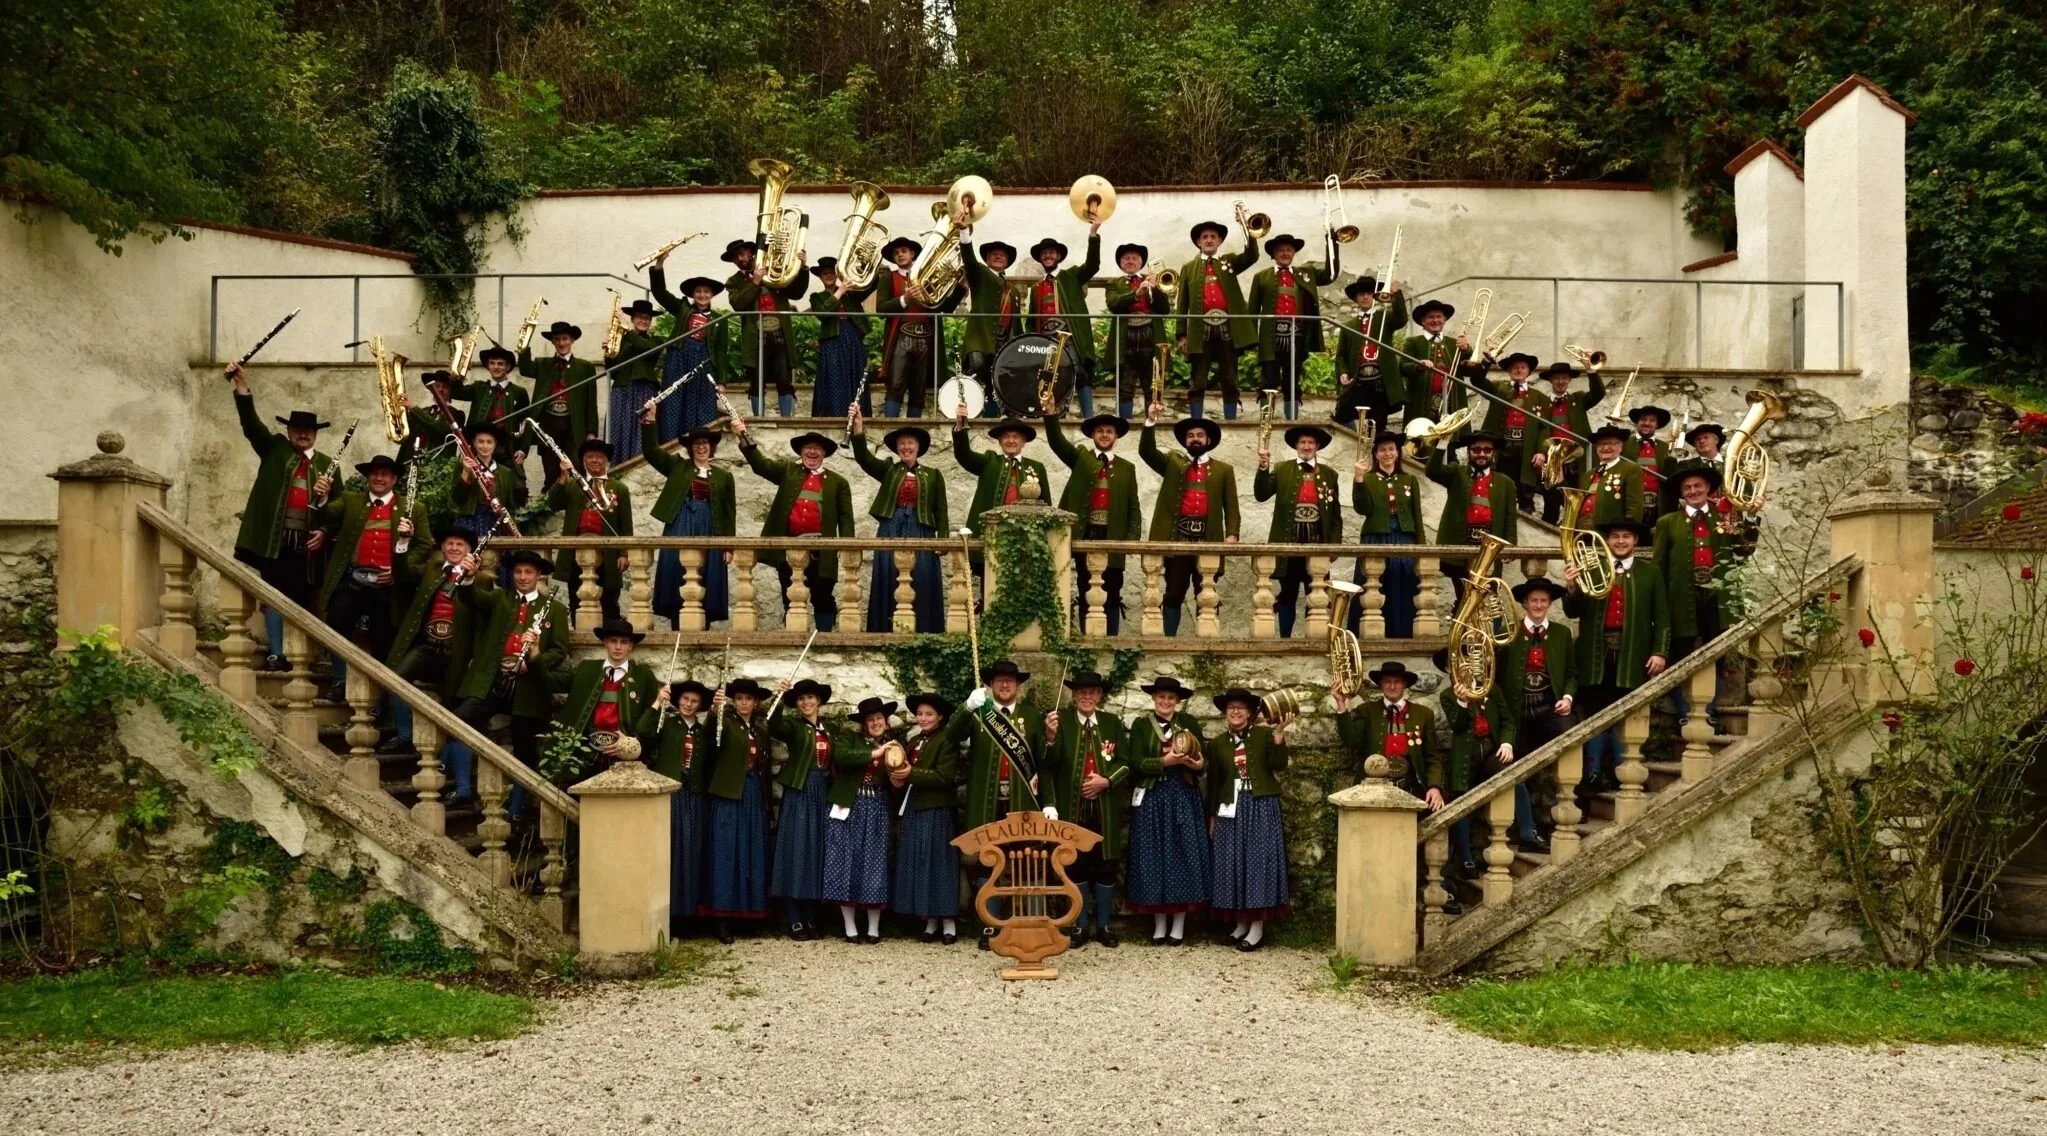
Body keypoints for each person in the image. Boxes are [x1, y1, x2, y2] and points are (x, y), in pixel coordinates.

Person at [225, 362, 335, 670]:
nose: (303, 435)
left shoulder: (328, 463)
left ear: (315, 435)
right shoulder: (274, 448)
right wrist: (241, 388)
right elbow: (251, 425)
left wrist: (325, 516)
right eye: (298, 431)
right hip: (276, 540)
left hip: (307, 545)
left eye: (308, 431)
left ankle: (299, 655)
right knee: (272, 596)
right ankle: (276, 652)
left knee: (301, 599)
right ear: (289, 431)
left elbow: (336, 511)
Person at [448, 549, 570, 820]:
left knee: (524, 749)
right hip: (494, 681)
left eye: (528, 572)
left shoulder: (556, 610)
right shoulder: (500, 598)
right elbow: (472, 598)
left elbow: (559, 650)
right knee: (458, 723)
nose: (523, 577)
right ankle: (464, 788)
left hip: (528, 687)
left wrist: (532, 662)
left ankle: (514, 812)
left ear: (539, 576)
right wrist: (468, 578)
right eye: (518, 572)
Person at [1563, 518, 1670, 797]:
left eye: (1626, 537)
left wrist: (1660, 652)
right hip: (1597, 655)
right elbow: (1574, 612)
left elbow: (1662, 618)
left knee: (1628, 713)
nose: (1620, 541)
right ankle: (1594, 772)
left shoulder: (1651, 573)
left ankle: (1626, 771)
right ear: (1608, 541)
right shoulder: (1593, 568)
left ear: (1635, 541)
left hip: (1632, 654)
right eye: (1615, 536)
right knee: (1597, 713)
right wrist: (1572, 587)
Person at [314, 454, 430, 699]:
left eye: (384, 474)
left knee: (384, 637)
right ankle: (340, 681)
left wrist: (399, 572)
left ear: (394, 479)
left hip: (388, 586)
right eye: (374, 474)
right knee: (337, 624)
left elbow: (423, 547)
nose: (379, 478)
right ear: (368, 477)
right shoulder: (350, 500)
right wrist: (322, 496)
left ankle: (378, 692)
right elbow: (327, 516)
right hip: (353, 579)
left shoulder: (414, 508)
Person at [946, 659, 1043, 950]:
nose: (1004, 685)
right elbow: (951, 737)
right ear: (990, 685)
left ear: (1018, 686)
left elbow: (1043, 762)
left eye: (1010, 681)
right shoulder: (980, 713)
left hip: (1021, 802)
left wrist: (1046, 802)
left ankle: (1022, 924)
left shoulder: (1031, 716)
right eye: (999, 680)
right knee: (987, 864)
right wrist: (967, 708)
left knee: (1023, 861)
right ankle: (989, 924)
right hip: (987, 802)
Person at [385, 525, 487, 789]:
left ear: (469, 552)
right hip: (428, 646)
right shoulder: (432, 570)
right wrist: (403, 543)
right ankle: (406, 734)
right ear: (442, 548)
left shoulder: (482, 579)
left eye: (460, 545)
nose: (454, 548)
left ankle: (459, 781)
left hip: (457, 653)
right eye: (450, 544)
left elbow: (483, 619)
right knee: (393, 680)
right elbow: (403, 573)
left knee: (455, 713)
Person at [735, 421, 855, 632]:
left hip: (822, 550)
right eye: (807, 447)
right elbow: (761, 465)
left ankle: (825, 637)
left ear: (824, 453)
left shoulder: (838, 482)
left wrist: (847, 547)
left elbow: (846, 518)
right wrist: (743, 437)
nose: (812, 452)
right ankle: (793, 637)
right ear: (801, 451)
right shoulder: (787, 470)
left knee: (823, 594)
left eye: (817, 448)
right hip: (789, 548)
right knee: (789, 593)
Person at [1042, 671, 1132, 948]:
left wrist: (1107, 781)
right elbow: (1048, 764)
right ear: (1073, 695)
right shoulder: (1061, 722)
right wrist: (1050, 737)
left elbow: (1127, 763)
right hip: (1072, 810)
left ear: (1100, 695)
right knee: (1076, 865)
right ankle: (1080, 926)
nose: (1087, 696)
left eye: (1092, 692)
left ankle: (1104, 925)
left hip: (1105, 811)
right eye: (1082, 692)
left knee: (1106, 866)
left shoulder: (1112, 722)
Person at [1431, 648, 1532, 889]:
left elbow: (1508, 721)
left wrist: (1507, 743)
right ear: (1448, 670)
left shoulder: (1491, 689)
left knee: (1513, 777)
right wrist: (1463, 702)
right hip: (1465, 757)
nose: (1462, 666)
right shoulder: (1448, 696)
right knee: (1461, 799)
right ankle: (1466, 859)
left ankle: (1529, 831)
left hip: (1491, 749)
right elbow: (1457, 725)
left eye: (1466, 661)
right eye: (1455, 664)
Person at [1138, 407, 1239, 637]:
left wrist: (1232, 533)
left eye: (1199, 435)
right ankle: (1168, 639)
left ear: (1208, 440)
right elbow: (1146, 452)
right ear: (1185, 441)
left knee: (1207, 593)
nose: (1195, 439)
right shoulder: (1173, 463)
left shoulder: (1224, 470)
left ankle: (1208, 643)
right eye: (1191, 436)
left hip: (1209, 539)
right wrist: (1150, 423)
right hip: (1179, 539)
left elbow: (1231, 507)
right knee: (1173, 593)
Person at [1122, 675, 1208, 945]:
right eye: (1161, 697)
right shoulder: (1140, 725)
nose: (1166, 702)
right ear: (1153, 699)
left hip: (1182, 795)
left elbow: (1202, 762)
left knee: (1182, 855)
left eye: (1171, 698)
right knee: (1153, 856)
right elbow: (1135, 763)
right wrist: (1165, 761)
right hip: (1152, 797)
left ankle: (1179, 924)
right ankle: (1159, 923)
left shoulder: (1189, 724)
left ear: (1178, 701)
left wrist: (1195, 764)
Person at [1206, 688, 1291, 951]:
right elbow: (1214, 782)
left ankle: (1256, 927)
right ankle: (1240, 923)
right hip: (1230, 807)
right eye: (1231, 707)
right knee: (1232, 864)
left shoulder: (1265, 735)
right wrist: (1212, 815)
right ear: (1224, 712)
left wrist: (1278, 736)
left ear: (1250, 713)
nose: (1235, 711)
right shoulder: (1218, 743)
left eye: (1241, 707)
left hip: (1260, 804)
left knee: (1257, 864)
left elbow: (1279, 765)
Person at [1045, 412, 1143, 634]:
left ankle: (1111, 638)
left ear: (1116, 435)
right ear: (1092, 435)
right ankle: (1089, 639)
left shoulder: (1128, 468)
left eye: (1109, 431)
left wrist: (1130, 540)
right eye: (1100, 431)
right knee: (1086, 589)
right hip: (1086, 536)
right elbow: (1056, 442)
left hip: (1114, 538)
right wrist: (1050, 415)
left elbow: (1133, 506)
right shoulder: (1081, 458)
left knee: (1113, 592)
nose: (1105, 435)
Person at [1655, 466, 1738, 726]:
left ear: (1708, 489)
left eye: (1698, 486)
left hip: (1717, 598)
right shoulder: (1667, 523)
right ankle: (1684, 714)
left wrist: (1751, 520)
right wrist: (1659, 605)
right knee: (1680, 655)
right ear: (1681, 493)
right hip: (1680, 600)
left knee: (1718, 654)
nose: (1693, 491)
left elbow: (1743, 552)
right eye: (1687, 488)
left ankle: (1708, 712)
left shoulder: (1725, 517)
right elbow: (1659, 567)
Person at [850, 412, 948, 633]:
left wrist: (942, 539)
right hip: (891, 528)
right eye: (902, 443)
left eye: (910, 443)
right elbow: (864, 458)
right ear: (897, 448)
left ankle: (924, 629)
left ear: (918, 447)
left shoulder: (933, 475)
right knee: (889, 575)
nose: (906, 447)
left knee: (921, 576)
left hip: (921, 529)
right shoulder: (889, 470)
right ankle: (884, 628)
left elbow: (941, 510)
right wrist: (858, 430)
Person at [1500, 577, 1575, 853]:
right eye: (1534, 601)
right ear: (1524, 604)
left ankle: (1573, 805)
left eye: (1544, 601)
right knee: (1518, 769)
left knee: (1573, 736)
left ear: (1550, 604)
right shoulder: (1509, 633)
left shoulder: (1561, 634)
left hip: (1548, 710)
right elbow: (1496, 676)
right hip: (1517, 712)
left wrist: (1567, 698)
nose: (1539, 605)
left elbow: (1571, 675)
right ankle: (1524, 829)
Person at [769, 677, 846, 940]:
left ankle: (812, 917)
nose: (806, 703)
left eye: (810, 698)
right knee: (797, 852)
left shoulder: (829, 730)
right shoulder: (793, 726)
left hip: (822, 794)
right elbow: (773, 725)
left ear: (819, 701)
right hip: (800, 792)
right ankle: (794, 918)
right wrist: (778, 698)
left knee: (817, 853)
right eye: (801, 699)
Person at [640, 415, 734, 630]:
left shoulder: (723, 476)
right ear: (690, 448)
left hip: (710, 527)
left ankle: (705, 624)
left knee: (708, 573)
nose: (701, 447)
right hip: (681, 523)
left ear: (711, 447)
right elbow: (651, 453)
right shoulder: (677, 467)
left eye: (705, 443)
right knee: (676, 568)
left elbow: (729, 513)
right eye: (696, 444)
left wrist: (729, 545)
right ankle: (676, 622)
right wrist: (650, 423)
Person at [639, 678, 714, 937]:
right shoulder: (667, 725)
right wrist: (658, 702)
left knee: (691, 852)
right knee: (670, 851)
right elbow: (643, 730)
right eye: (685, 699)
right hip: (671, 794)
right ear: (677, 701)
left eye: (694, 701)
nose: (689, 705)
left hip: (694, 797)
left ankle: (689, 914)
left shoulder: (704, 732)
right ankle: (667, 913)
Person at [702, 677, 774, 943]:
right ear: (734, 701)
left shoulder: (758, 728)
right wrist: (713, 713)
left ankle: (748, 915)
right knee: (726, 853)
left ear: (755, 703)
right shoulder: (724, 722)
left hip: (753, 793)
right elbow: (711, 740)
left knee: (751, 851)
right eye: (740, 698)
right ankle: (722, 919)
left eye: (749, 699)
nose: (744, 703)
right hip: (729, 793)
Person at [1254, 424, 1343, 638]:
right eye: (1302, 442)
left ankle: (1315, 637)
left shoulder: (1330, 474)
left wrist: (1334, 546)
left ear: (1317, 446)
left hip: (1317, 542)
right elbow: (1261, 494)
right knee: (1288, 593)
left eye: (1311, 442)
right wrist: (1263, 468)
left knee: (1317, 592)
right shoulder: (1283, 468)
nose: (1306, 446)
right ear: (1296, 446)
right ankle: (1285, 637)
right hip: (1289, 541)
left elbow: (1335, 516)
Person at [1174, 211, 1260, 422]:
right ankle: (1196, 422)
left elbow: (1252, 257)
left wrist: (1248, 231)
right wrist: (1181, 335)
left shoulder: (1229, 262)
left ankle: (1230, 420)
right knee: (1199, 378)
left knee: (1230, 376)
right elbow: (1181, 303)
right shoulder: (1188, 268)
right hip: (1199, 330)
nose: (1209, 240)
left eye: (1213, 237)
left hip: (1227, 327)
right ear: (1198, 242)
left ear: (1220, 241)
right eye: (1205, 237)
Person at [826, 696, 899, 943]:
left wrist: (898, 777)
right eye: (871, 720)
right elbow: (842, 757)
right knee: (845, 862)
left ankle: (873, 929)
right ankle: (849, 927)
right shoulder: (849, 741)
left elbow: (898, 778)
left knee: (874, 864)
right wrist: (875, 752)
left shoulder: (895, 746)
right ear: (863, 724)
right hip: (851, 806)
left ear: (886, 722)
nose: (876, 723)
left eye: (879, 718)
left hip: (877, 809)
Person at [890, 692, 960, 944]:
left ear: (940, 716)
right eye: (920, 714)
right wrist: (897, 778)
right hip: (915, 809)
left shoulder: (946, 741)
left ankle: (949, 922)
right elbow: (905, 773)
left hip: (937, 809)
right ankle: (930, 921)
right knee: (921, 862)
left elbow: (944, 778)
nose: (923, 718)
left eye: (929, 714)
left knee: (940, 864)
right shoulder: (915, 741)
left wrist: (912, 773)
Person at [540, 439, 633, 624]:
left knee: (609, 597)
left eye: (599, 457)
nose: (595, 460)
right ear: (583, 462)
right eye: (590, 457)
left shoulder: (619, 488)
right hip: (578, 552)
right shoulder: (574, 485)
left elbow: (626, 524)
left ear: (606, 461)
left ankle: (610, 632)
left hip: (608, 553)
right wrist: (563, 477)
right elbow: (553, 504)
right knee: (577, 596)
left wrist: (624, 553)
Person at [1426, 430, 1519, 608]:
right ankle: (1462, 633)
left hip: (1489, 547)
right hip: (1461, 544)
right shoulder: (1457, 472)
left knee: (1488, 596)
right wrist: (1442, 443)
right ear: (1469, 452)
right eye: (1476, 450)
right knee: (1463, 597)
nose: (1482, 454)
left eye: (1487, 450)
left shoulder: (1505, 482)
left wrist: (1511, 545)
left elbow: (1510, 517)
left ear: (1493, 453)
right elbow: (1432, 471)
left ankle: (1485, 635)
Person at [1246, 234, 1334, 419]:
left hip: (1297, 335)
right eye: (1281, 250)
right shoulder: (1261, 277)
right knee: (1269, 378)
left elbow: (1329, 274)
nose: (1285, 253)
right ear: (1274, 254)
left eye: (1289, 250)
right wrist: (1251, 339)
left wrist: (1332, 244)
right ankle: (1266, 420)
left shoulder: (1306, 273)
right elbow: (1252, 310)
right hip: (1271, 337)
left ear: (1294, 253)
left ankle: (1291, 419)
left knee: (1292, 379)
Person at [953, 412, 1051, 578]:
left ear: (1024, 441)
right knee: (990, 583)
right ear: (999, 441)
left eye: (1016, 437)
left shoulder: (1036, 467)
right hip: (992, 536)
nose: (1011, 441)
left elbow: (1046, 505)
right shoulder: (989, 461)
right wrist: (960, 427)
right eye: (1006, 436)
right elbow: (964, 455)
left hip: (1025, 539)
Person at [553, 618, 659, 769]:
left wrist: (632, 742)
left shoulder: (644, 676)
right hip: (588, 751)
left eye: (623, 642)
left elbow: (652, 716)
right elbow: (553, 682)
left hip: (624, 753)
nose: (618, 647)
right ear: (605, 643)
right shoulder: (586, 669)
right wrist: (534, 657)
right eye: (613, 641)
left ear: (630, 646)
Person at [1334, 661, 1446, 801]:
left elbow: (1432, 758)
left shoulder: (1423, 714)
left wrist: (1434, 787)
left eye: (1397, 682)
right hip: (1373, 788)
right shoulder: (1367, 711)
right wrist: (1341, 704)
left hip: (1411, 787)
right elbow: (1352, 741)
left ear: (1404, 684)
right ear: (1381, 684)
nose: (1392, 686)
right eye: (1387, 682)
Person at [723, 238, 810, 417]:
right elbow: (738, 304)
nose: (740, 259)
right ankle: (758, 419)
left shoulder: (774, 270)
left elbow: (797, 293)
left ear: (751, 253)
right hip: (755, 336)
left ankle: (786, 419)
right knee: (756, 381)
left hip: (779, 333)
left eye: (742, 254)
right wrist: (754, 282)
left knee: (784, 379)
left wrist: (802, 268)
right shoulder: (733, 281)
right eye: (735, 257)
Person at [648, 262, 732, 441]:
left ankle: (699, 442)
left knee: (702, 402)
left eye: (706, 292)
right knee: (673, 400)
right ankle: (670, 442)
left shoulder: (720, 320)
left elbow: (721, 351)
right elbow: (660, 293)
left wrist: (722, 380)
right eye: (698, 292)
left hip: (704, 362)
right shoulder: (682, 309)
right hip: (679, 358)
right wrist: (659, 266)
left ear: (712, 295)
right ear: (693, 295)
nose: (702, 295)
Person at [1351, 431, 1424, 638]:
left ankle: (1401, 632)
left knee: (1402, 585)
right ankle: (1367, 632)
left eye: (1391, 449)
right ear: (1375, 454)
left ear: (1398, 453)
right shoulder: (1368, 478)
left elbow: (1417, 516)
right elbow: (1361, 508)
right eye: (1382, 450)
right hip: (1376, 538)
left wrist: (1422, 548)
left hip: (1404, 539)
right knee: (1373, 585)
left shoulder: (1409, 479)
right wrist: (1358, 479)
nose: (1387, 453)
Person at [1025, 225, 1103, 415]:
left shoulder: (1072, 276)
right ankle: (1057, 417)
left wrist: (1093, 236)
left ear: (1058, 257)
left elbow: (1093, 265)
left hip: (1070, 335)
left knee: (1080, 374)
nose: (1048, 256)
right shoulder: (1036, 288)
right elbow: (1031, 318)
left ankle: (1088, 419)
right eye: (1044, 253)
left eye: (1052, 252)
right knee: (1051, 378)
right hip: (1046, 338)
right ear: (1040, 258)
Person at [517, 320, 600, 488]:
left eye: (565, 339)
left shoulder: (585, 367)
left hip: (573, 425)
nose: (561, 343)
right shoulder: (543, 364)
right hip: (549, 423)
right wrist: (524, 339)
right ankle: (550, 507)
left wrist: (591, 431)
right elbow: (525, 369)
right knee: (551, 469)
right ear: (553, 342)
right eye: (557, 339)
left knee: (575, 467)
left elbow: (591, 401)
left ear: (572, 340)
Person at [875, 237, 946, 419]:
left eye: (904, 251)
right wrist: (904, 299)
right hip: (900, 334)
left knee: (919, 386)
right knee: (895, 383)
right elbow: (881, 309)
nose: (900, 255)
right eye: (896, 253)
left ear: (913, 254)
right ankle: (889, 426)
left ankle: (915, 428)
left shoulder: (927, 277)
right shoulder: (888, 278)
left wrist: (961, 288)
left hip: (926, 336)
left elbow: (944, 306)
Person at [1333, 276, 1409, 437]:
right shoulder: (1349, 326)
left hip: (1379, 383)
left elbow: (1401, 319)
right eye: (1361, 294)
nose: (1365, 297)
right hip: (1359, 382)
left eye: (1369, 293)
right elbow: (1341, 356)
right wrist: (1343, 373)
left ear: (1374, 296)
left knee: (1377, 426)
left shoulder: (1384, 318)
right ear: (1356, 298)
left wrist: (1396, 295)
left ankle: (1372, 453)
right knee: (1341, 415)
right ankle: (1356, 440)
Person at [1471, 352, 1547, 513]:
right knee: (1498, 488)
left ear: (1528, 371)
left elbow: (1544, 428)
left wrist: (1541, 452)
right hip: (1503, 448)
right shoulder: (1499, 388)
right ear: (1509, 371)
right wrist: (1486, 362)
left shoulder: (1539, 397)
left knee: (1525, 493)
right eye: (1515, 368)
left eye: (1522, 367)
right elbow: (1477, 381)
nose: (1518, 370)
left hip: (1525, 451)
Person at [1103, 244, 1171, 418]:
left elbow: (1164, 309)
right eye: (1126, 258)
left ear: (1141, 262)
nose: (1130, 261)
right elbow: (1114, 304)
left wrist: (1154, 289)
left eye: (1134, 258)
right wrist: (1136, 293)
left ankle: (1152, 421)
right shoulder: (1114, 283)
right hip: (1126, 337)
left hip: (1150, 335)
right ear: (1121, 263)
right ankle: (1124, 423)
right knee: (1125, 385)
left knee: (1152, 385)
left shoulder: (1152, 281)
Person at [1535, 361, 1605, 524]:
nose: (1560, 382)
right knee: (1551, 500)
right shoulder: (1542, 403)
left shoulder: (1578, 399)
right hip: (1553, 458)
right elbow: (1540, 429)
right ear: (1551, 380)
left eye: (1564, 378)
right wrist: (1541, 452)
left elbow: (1598, 393)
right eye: (1557, 378)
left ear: (1569, 381)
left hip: (1576, 460)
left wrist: (1591, 371)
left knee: (1578, 496)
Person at [808, 255, 876, 418]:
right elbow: (823, 314)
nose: (829, 275)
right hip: (831, 341)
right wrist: (840, 291)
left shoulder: (851, 295)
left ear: (837, 274)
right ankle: (834, 413)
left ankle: (859, 414)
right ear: (820, 277)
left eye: (832, 272)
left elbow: (872, 283)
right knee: (833, 378)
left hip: (852, 338)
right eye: (825, 273)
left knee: (856, 375)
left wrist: (866, 263)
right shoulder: (816, 297)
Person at [958, 239, 1021, 410]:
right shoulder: (980, 274)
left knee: (996, 382)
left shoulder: (1013, 290)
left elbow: (1017, 323)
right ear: (986, 260)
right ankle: (966, 412)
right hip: (979, 338)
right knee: (976, 368)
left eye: (1002, 255)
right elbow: (969, 260)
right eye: (993, 254)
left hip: (1003, 341)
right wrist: (965, 235)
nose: (998, 256)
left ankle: (991, 419)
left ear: (1007, 261)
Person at [605, 299, 665, 463]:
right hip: (622, 390)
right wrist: (609, 354)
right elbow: (613, 372)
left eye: (647, 318)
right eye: (639, 317)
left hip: (644, 391)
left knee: (641, 432)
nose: (643, 321)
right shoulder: (622, 340)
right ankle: (617, 468)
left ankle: (640, 465)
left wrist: (626, 331)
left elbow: (644, 348)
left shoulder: (656, 340)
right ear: (632, 319)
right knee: (619, 431)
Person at [1399, 299, 1467, 423]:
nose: (1435, 320)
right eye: (1430, 317)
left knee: (1451, 440)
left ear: (1444, 320)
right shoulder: (1413, 342)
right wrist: (1418, 366)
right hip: (1421, 404)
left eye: (1439, 316)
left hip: (1452, 403)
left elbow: (1470, 370)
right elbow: (1402, 366)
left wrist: (1467, 350)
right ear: (1423, 321)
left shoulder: (1454, 343)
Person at [451, 421, 523, 533]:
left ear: (495, 444)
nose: (485, 446)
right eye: (480, 441)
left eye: (489, 442)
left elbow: (509, 506)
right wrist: (466, 472)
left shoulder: (506, 472)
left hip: (497, 522)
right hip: (470, 521)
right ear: (474, 443)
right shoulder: (463, 465)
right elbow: (457, 499)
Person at [1576, 425, 1646, 529]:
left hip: (1609, 534)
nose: (1605, 447)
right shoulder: (1588, 475)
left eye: (1611, 443)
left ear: (1620, 447)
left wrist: (1624, 533)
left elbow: (1634, 507)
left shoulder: (1630, 469)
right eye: (1601, 444)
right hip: (1581, 531)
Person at [397, 371, 464, 473]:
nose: (440, 389)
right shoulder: (423, 411)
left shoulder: (457, 414)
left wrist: (413, 408)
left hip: (437, 469)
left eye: (445, 387)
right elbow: (407, 436)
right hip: (413, 466)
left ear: (451, 391)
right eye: (437, 386)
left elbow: (440, 429)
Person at [463, 346, 532, 434]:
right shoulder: (478, 388)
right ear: (488, 366)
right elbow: (456, 392)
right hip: (479, 443)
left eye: (500, 364)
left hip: (507, 445)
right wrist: (460, 369)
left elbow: (526, 423)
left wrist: (523, 447)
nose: (496, 367)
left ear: (508, 367)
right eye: (492, 363)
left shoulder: (519, 392)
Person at [1627, 405, 1676, 526]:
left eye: (1652, 420)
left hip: (1656, 506)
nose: (1647, 423)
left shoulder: (1665, 447)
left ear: (1657, 425)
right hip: (1630, 504)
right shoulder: (1625, 444)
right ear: (1637, 423)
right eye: (1643, 419)